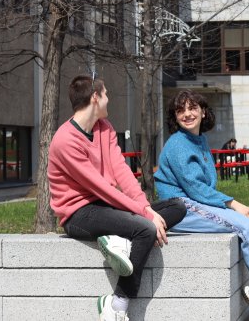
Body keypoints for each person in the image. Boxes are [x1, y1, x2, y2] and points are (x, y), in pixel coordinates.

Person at [154, 90, 249, 321]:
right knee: (247, 227)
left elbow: (205, 189)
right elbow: (195, 188)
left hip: (199, 203)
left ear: (203, 111)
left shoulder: (199, 140)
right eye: (180, 110)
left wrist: (229, 205)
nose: (187, 114)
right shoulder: (178, 144)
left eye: (192, 108)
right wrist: (233, 203)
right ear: (174, 117)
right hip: (181, 208)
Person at [47, 74, 186, 321]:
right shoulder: (65, 140)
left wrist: (145, 206)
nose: (109, 98)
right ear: (95, 97)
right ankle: (116, 305)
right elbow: (102, 188)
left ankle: (121, 239)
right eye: (106, 93)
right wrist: (145, 216)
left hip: (104, 207)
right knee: (145, 229)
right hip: (78, 214)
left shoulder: (104, 128)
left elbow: (121, 172)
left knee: (177, 207)